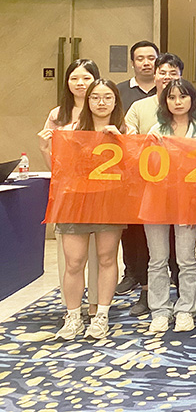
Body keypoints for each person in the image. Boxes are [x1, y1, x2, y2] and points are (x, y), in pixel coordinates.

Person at [53, 79, 126, 340]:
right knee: (74, 261)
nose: (101, 103)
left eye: (107, 97)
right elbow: (59, 167)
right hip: (75, 202)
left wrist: (122, 142)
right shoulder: (72, 130)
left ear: (116, 101)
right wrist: (46, 145)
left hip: (109, 200)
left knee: (107, 258)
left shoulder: (126, 130)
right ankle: (73, 316)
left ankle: (101, 315)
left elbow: (135, 170)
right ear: (88, 101)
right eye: (95, 97)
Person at [143, 78, 196, 333]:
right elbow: (146, 167)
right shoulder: (155, 130)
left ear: (192, 100)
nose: (177, 102)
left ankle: (185, 310)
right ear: (165, 102)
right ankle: (160, 310)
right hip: (157, 200)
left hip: (188, 201)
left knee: (186, 259)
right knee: (157, 259)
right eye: (171, 97)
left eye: (183, 96)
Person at [123, 53, 186, 316]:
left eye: (173, 73)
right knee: (149, 247)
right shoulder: (139, 107)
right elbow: (129, 142)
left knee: (182, 249)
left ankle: (184, 298)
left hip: (182, 189)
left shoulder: (187, 106)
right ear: (155, 74)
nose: (167, 77)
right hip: (148, 187)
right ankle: (147, 293)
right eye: (163, 72)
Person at [38, 58, 102, 318]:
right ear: (67, 82)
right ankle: (71, 305)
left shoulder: (103, 109)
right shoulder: (57, 115)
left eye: (86, 78)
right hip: (69, 192)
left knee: (101, 252)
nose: (80, 83)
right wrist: (44, 148)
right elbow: (53, 163)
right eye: (74, 78)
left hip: (100, 190)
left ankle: (97, 302)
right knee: (71, 255)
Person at [116, 40, 158, 112]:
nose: (146, 63)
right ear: (132, 63)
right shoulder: (119, 90)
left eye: (151, 58)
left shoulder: (167, 89)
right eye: (140, 59)